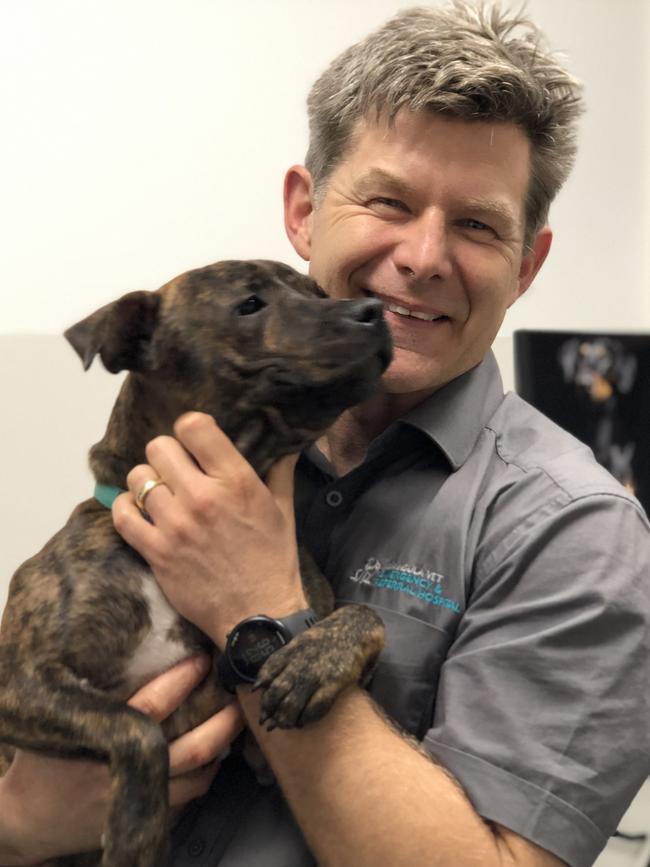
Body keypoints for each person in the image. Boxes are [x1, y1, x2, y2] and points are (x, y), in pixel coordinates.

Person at [1, 3, 649, 866]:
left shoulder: (579, 535)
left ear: (526, 265)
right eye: (389, 200)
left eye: (477, 224)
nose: (422, 256)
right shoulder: (221, 440)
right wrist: (16, 824)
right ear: (306, 210)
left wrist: (253, 606)